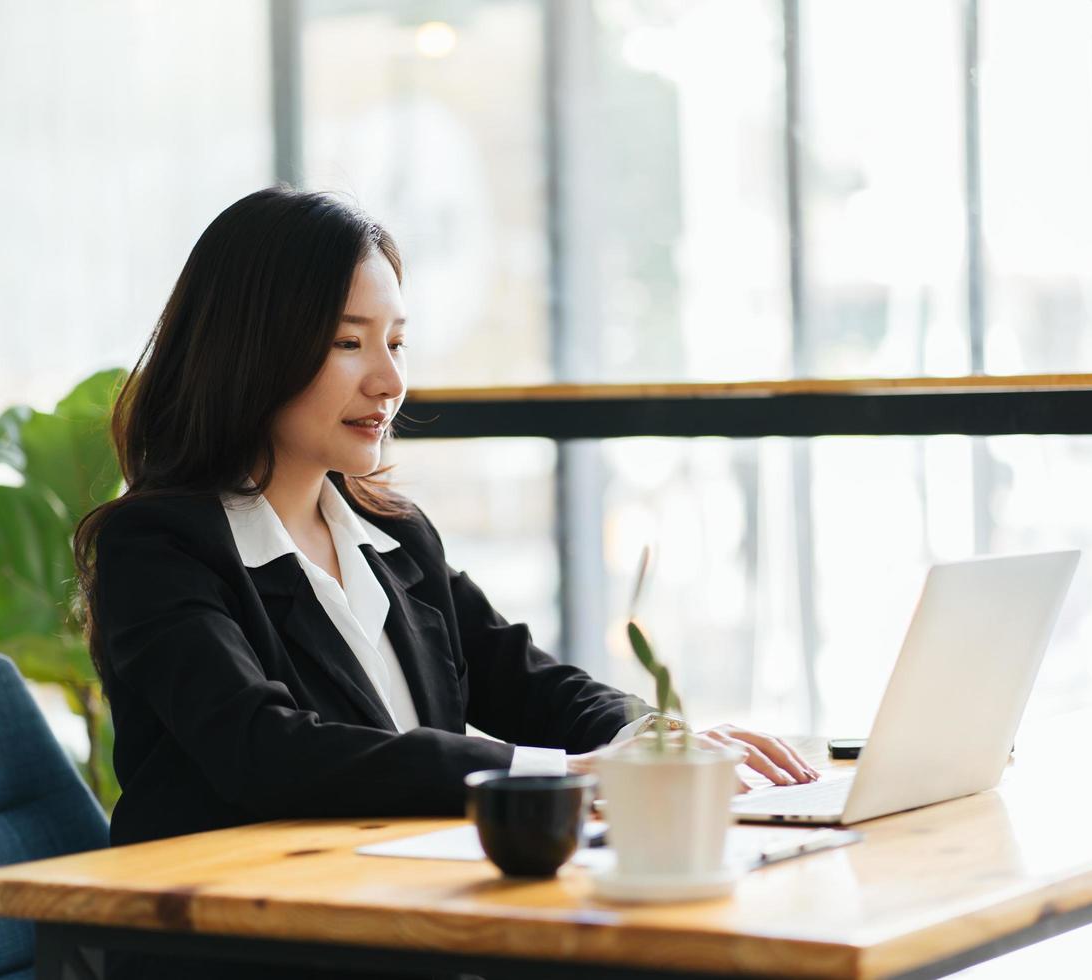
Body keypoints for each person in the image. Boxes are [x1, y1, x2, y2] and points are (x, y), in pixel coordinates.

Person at [74, 187, 817, 979]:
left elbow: (524, 678)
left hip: (410, 924)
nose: (390, 381)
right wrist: (555, 777)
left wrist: (646, 741)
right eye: (347, 344)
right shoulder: (157, 548)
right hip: (259, 951)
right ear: (252, 350)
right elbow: (267, 750)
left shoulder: (392, 536)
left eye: (398, 342)